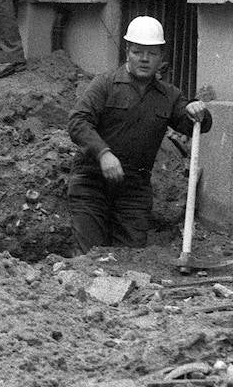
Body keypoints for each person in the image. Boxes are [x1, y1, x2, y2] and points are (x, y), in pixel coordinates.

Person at [67, 16, 212, 253]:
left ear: (161, 57)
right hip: (91, 184)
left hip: (133, 190)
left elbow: (196, 124)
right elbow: (77, 122)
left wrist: (198, 110)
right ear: (127, 52)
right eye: (138, 52)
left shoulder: (169, 96)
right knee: (92, 257)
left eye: (152, 54)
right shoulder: (105, 85)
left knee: (132, 258)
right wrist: (104, 154)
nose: (144, 59)